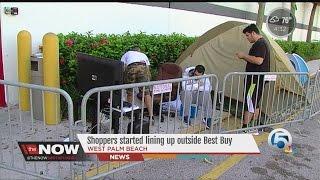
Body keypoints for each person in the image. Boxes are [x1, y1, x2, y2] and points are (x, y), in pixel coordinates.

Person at [235, 24, 270, 133]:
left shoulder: (260, 44)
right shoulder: (262, 43)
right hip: (257, 80)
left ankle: (245, 128)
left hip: (254, 80)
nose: (247, 38)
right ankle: (254, 126)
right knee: (255, 102)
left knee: (249, 101)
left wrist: (243, 55)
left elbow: (259, 60)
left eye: (247, 35)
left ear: (253, 33)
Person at [121, 46, 153, 122]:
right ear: (139, 51)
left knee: (130, 92)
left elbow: (123, 67)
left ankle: (130, 114)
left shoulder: (127, 53)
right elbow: (148, 69)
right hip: (143, 67)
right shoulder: (143, 55)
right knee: (146, 93)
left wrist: (124, 77)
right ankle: (151, 116)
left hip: (131, 67)